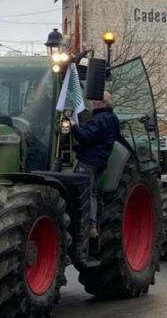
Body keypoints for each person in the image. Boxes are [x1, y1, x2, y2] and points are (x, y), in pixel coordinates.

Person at [71, 91, 120, 238]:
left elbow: (86, 138)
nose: (92, 102)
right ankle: (92, 224)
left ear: (103, 103)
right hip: (100, 160)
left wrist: (73, 126)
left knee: (81, 192)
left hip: (89, 160)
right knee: (92, 191)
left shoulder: (99, 119)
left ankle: (86, 225)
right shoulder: (112, 118)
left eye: (96, 100)